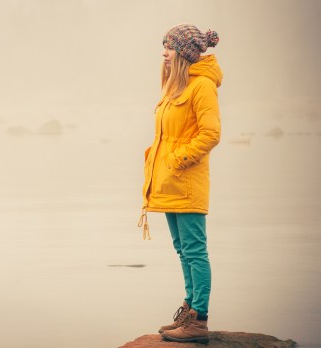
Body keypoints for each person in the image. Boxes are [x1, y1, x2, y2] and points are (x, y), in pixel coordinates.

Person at [138, 23, 222, 343]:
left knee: (195, 251)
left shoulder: (201, 87)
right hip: (171, 183)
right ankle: (189, 311)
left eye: (169, 47)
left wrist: (177, 160)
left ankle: (198, 320)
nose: (164, 53)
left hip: (186, 182)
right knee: (182, 250)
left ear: (184, 53)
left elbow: (210, 134)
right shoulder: (176, 86)